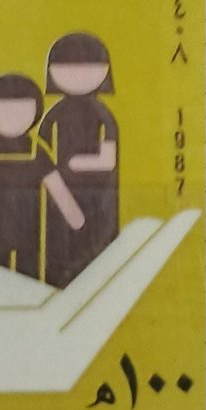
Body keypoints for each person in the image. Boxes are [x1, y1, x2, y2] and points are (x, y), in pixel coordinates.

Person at [0, 75, 84, 279]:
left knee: (31, 272)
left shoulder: (38, 153)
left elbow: (56, 186)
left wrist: (74, 216)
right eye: (3, 111)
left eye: (21, 111)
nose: (12, 118)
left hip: (30, 226)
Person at [38, 33, 120, 287]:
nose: (78, 75)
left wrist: (73, 164)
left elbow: (108, 160)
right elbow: (40, 155)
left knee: (98, 249)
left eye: (87, 68)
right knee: (59, 246)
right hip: (58, 195)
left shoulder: (103, 117)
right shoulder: (52, 117)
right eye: (68, 68)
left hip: (99, 196)